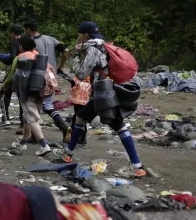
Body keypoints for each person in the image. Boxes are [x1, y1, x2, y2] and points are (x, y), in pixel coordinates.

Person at [60, 21, 147, 177]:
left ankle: (137, 165)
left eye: (79, 34)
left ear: (86, 35)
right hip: (113, 89)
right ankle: (68, 153)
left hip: (104, 92)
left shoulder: (92, 49)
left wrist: (75, 57)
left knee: (117, 125)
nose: (78, 37)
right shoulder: (105, 46)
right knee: (82, 118)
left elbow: (80, 74)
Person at [6, 35, 53, 156]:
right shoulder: (38, 55)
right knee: (28, 117)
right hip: (40, 91)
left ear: (21, 46)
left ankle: (44, 145)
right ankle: (22, 143)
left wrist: (4, 87)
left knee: (32, 119)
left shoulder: (21, 57)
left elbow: (13, 75)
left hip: (26, 92)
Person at [23, 19, 70, 138]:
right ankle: (36, 136)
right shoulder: (51, 39)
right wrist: (61, 66)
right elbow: (66, 50)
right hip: (52, 75)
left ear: (28, 30)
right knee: (46, 105)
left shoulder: (30, 42)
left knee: (36, 105)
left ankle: (63, 126)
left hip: (39, 78)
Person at [0, 24, 25, 125]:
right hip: (26, 71)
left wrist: (4, 59)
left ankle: (6, 118)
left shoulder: (14, 43)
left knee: (4, 92)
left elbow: (13, 57)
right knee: (21, 96)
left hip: (15, 70)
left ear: (13, 33)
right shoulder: (25, 41)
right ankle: (22, 120)